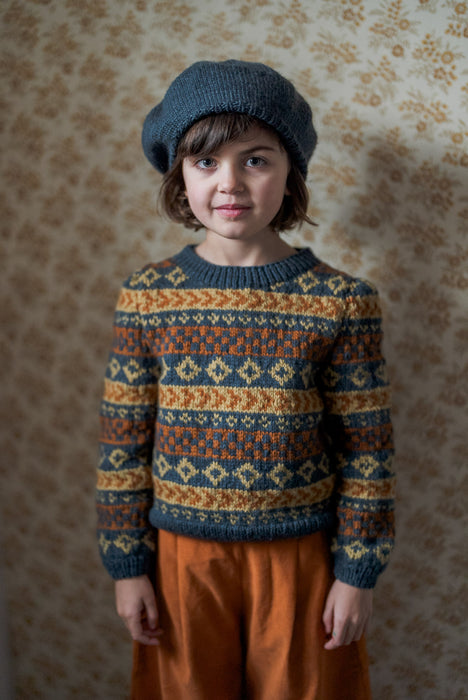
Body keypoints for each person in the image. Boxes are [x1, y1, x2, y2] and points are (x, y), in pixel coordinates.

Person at [96, 59, 395, 699]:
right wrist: (128, 566)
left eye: (255, 160)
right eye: (206, 162)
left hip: (302, 560)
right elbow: (123, 443)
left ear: (291, 173)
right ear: (180, 172)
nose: (229, 183)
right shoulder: (148, 295)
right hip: (182, 561)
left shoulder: (341, 301)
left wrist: (358, 572)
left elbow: (367, 449)